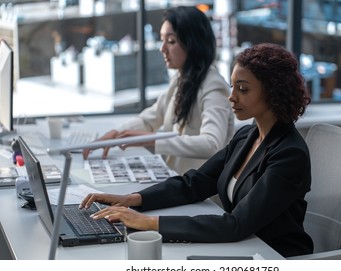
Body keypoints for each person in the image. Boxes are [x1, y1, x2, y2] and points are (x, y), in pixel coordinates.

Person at [80, 43, 314, 258]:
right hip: (244, 245)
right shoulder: (246, 136)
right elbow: (194, 183)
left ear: (273, 92)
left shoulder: (289, 154)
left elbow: (236, 225)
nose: (232, 97)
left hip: (273, 255)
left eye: (243, 89)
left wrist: (149, 222)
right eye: (233, 87)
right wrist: (131, 200)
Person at [82, 6, 234, 175]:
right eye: (162, 40)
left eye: (171, 41)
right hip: (178, 181)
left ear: (193, 43)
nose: (162, 49)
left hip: (201, 193)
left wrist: (150, 141)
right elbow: (151, 118)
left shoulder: (213, 86)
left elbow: (212, 144)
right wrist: (116, 134)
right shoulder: (181, 79)